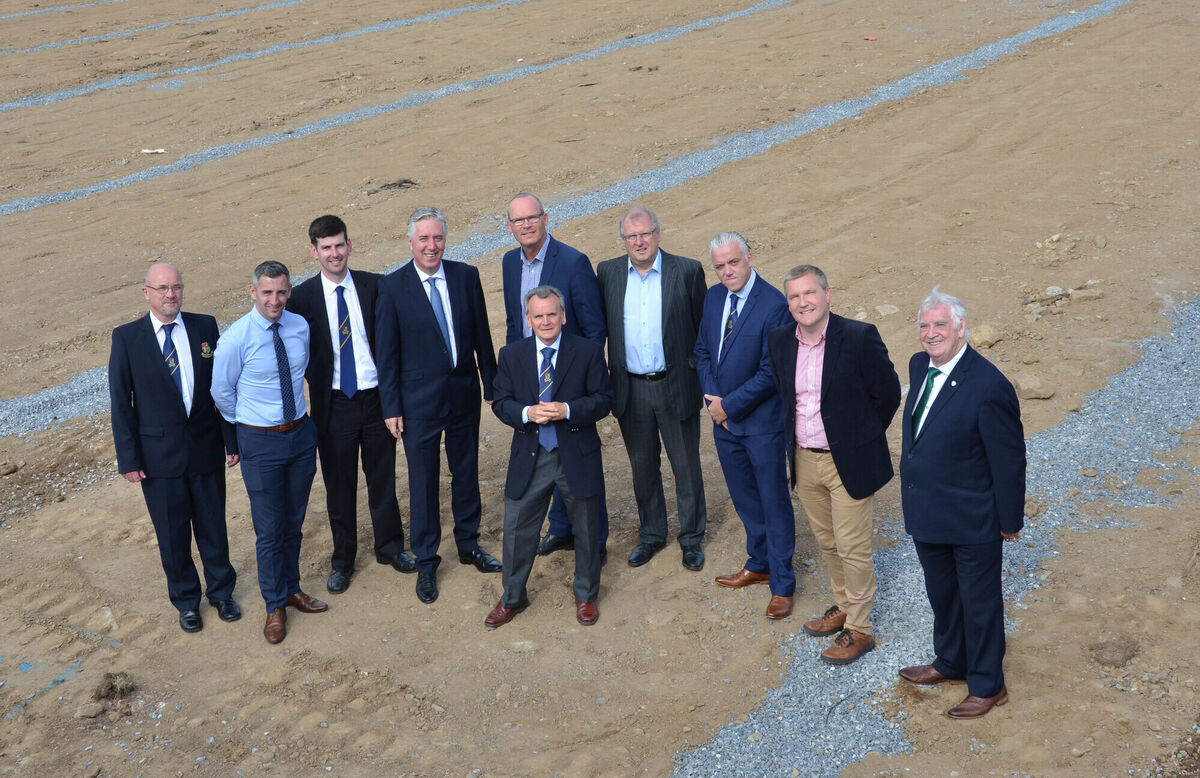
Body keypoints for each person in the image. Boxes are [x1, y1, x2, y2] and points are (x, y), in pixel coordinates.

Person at [897, 286, 1026, 719]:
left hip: (973, 519)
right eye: (924, 325)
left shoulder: (989, 385)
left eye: (940, 325)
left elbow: (1008, 459)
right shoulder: (920, 365)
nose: (931, 333)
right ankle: (951, 662)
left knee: (980, 603)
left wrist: (1009, 520)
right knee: (943, 595)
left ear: (961, 328)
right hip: (928, 513)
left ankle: (989, 685)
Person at [766, 265, 900, 665]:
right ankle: (843, 604)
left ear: (827, 295)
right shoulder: (779, 341)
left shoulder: (859, 337)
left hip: (848, 461)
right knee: (827, 541)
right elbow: (784, 396)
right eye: (794, 296)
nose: (802, 302)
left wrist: (861, 438)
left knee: (853, 547)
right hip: (805, 459)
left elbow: (888, 394)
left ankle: (859, 628)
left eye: (809, 293)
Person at [375, 206, 501, 606]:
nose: (432, 246)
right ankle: (427, 561)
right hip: (417, 404)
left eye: (438, 238)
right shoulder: (392, 287)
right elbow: (387, 353)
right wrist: (390, 405)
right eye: (424, 239)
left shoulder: (466, 276)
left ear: (446, 239)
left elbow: (482, 332)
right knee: (423, 481)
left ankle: (468, 543)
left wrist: (492, 383)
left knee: (466, 472)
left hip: (463, 395)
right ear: (410, 242)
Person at [286, 215, 416, 595]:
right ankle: (343, 560)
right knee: (339, 486)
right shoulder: (302, 298)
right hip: (334, 404)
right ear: (314, 252)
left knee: (383, 479)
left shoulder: (377, 286)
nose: (334, 253)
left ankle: (390, 548)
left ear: (349, 244)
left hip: (377, 400)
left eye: (339, 245)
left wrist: (394, 400)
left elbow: (392, 344)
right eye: (325, 248)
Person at [108, 263, 241, 633]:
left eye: (177, 287)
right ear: (146, 292)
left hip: (205, 450)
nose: (171, 295)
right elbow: (121, 402)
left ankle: (222, 593)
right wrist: (128, 458)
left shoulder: (204, 327)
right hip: (158, 459)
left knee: (214, 527)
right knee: (173, 534)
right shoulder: (127, 338)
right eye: (163, 288)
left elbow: (222, 388)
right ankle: (186, 601)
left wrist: (230, 439)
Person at [212, 260, 327, 645]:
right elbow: (221, 393)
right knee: (269, 529)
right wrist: (249, 423)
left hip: (299, 435)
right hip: (260, 442)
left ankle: (292, 589)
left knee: (293, 521)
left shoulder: (298, 326)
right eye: (267, 293)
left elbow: (302, 372)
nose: (274, 300)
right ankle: (274, 604)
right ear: (252, 292)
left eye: (280, 292)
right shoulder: (235, 339)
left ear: (289, 291)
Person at [486, 286, 613, 628]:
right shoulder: (511, 355)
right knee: (517, 528)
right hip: (532, 453)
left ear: (563, 316)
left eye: (551, 314)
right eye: (538, 316)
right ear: (528, 319)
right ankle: (512, 596)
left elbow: (604, 399)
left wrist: (567, 409)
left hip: (576, 452)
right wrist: (527, 412)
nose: (546, 321)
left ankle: (586, 595)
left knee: (586, 528)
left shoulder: (586, 352)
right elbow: (500, 402)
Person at [500, 193, 610, 564]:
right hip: (530, 377)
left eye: (533, 218)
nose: (526, 225)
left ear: (546, 219)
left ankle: (594, 542)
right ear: (509, 227)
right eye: (519, 221)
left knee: (579, 462)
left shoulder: (574, 262)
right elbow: (516, 324)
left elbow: (594, 327)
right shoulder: (508, 262)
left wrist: (581, 376)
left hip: (569, 376)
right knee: (543, 455)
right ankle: (560, 529)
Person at [597, 205, 707, 570]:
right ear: (623, 241)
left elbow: (701, 331)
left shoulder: (687, 271)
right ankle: (652, 534)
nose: (640, 241)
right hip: (631, 389)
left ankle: (691, 538)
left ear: (658, 234)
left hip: (675, 385)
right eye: (632, 236)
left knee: (685, 466)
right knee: (643, 467)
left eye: (645, 233)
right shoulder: (608, 273)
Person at [694, 233, 796, 619]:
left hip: (761, 425)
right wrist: (712, 399)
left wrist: (729, 405)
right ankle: (759, 562)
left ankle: (783, 583)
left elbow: (772, 372)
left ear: (749, 258)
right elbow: (702, 351)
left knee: (773, 500)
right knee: (745, 499)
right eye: (719, 266)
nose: (727, 271)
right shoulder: (714, 297)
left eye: (733, 263)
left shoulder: (774, 305)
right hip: (725, 423)